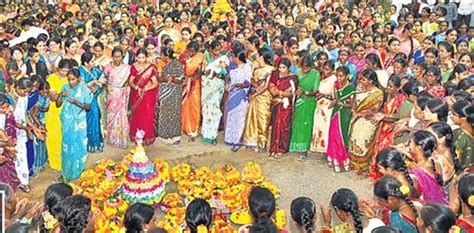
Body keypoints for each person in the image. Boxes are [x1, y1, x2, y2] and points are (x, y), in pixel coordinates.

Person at [57, 68, 92, 182]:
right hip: (67, 121)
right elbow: (58, 104)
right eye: (69, 79)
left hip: (79, 122)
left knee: (80, 144)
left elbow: (88, 107)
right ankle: (66, 172)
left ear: (79, 79)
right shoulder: (65, 88)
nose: (71, 82)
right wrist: (61, 95)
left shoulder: (84, 89)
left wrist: (76, 103)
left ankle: (79, 170)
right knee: (67, 145)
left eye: (73, 79)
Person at [349, 69, 383, 175]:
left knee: (363, 141)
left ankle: (363, 166)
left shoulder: (377, 93)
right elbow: (353, 103)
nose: (360, 81)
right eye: (360, 79)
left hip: (368, 121)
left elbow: (374, 110)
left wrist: (359, 115)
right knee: (354, 140)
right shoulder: (358, 89)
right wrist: (354, 112)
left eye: (363, 80)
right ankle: (353, 163)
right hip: (356, 118)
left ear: (371, 81)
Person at [289, 55, 320, 161]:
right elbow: (293, 85)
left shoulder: (315, 74)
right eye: (303, 67)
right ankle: (296, 146)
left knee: (306, 125)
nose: (305, 69)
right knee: (297, 123)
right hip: (298, 101)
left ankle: (304, 150)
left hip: (308, 102)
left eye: (307, 67)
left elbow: (315, 91)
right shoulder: (297, 72)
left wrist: (305, 92)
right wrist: (296, 91)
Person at [242, 48, 273, 152]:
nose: (257, 58)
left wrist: (256, 94)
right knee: (252, 118)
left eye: (258, 56)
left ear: (262, 57)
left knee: (262, 119)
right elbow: (251, 80)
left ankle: (261, 142)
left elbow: (266, 86)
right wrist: (255, 88)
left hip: (264, 97)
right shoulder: (256, 68)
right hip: (255, 95)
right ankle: (252, 141)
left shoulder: (270, 69)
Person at [326, 66, 356, 172]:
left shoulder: (351, 88)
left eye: (341, 76)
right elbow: (335, 98)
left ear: (347, 76)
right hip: (336, 113)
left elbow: (352, 105)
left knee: (342, 136)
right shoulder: (336, 85)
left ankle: (343, 159)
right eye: (337, 76)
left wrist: (340, 103)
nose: (339, 78)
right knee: (333, 135)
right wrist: (333, 101)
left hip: (344, 114)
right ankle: (334, 158)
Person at [7, 77, 34, 193]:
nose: (26, 94)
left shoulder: (24, 98)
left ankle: (24, 182)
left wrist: (32, 126)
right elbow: (10, 120)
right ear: (17, 87)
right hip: (9, 133)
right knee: (10, 158)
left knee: (22, 157)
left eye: (28, 91)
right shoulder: (7, 98)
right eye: (24, 91)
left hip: (21, 132)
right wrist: (26, 128)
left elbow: (24, 115)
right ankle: (11, 184)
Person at [268, 58, 298, 159]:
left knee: (284, 126)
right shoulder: (276, 75)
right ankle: (274, 147)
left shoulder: (293, 78)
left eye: (283, 68)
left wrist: (280, 93)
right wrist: (275, 92)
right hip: (276, 103)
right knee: (276, 125)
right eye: (280, 67)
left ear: (288, 68)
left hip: (286, 105)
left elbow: (292, 93)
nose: (281, 70)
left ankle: (282, 148)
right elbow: (271, 87)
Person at [224, 45, 252, 152]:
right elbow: (227, 77)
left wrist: (236, 85)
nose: (231, 59)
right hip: (232, 95)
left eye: (233, 57)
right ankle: (230, 138)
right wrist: (227, 84)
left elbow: (247, 83)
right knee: (232, 117)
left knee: (239, 119)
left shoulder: (246, 67)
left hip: (240, 96)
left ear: (236, 57)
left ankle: (237, 140)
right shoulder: (233, 68)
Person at [128, 48, 159, 146]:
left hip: (147, 96)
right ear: (136, 57)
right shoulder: (134, 67)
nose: (141, 60)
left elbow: (155, 83)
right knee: (136, 115)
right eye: (139, 58)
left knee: (147, 116)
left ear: (146, 58)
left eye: (143, 58)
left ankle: (147, 136)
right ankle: (137, 136)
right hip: (136, 94)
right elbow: (131, 81)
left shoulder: (150, 68)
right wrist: (136, 87)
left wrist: (147, 89)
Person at [45, 59, 71, 172]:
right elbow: (52, 97)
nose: (65, 73)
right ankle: (55, 162)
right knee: (53, 137)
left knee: (63, 136)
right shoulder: (51, 79)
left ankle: (63, 160)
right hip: (53, 111)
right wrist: (62, 93)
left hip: (65, 110)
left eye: (67, 71)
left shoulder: (69, 78)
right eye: (63, 70)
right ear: (58, 69)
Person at [156, 47, 184, 146]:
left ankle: (175, 138)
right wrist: (163, 78)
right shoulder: (165, 64)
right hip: (165, 94)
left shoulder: (177, 64)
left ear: (166, 56)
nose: (161, 56)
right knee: (165, 114)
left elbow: (180, 80)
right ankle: (165, 136)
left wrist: (172, 79)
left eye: (162, 54)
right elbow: (162, 79)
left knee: (174, 115)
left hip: (174, 94)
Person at [201, 40, 227, 145]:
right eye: (215, 50)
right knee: (207, 111)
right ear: (211, 49)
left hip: (216, 89)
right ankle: (205, 133)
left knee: (215, 111)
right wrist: (207, 72)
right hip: (207, 89)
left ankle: (212, 135)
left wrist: (216, 73)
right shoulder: (206, 58)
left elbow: (224, 74)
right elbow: (203, 72)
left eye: (219, 50)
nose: (217, 52)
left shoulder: (223, 59)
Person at [103, 47, 130, 149]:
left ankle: (121, 139)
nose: (117, 59)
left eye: (119, 57)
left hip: (122, 93)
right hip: (111, 94)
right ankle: (112, 139)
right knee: (111, 115)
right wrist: (107, 86)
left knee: (122, 114)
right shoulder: (107, 67)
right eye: (115, 57)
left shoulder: (126, 68)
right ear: (112, 56)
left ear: (122, 57)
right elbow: (103, 79)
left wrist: (126, 88)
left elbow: (129, 80)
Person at [79, 51, 104, 153]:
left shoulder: (95, 70)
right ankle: (89, 144)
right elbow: (80, 86)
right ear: (86, 63)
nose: (94, 63)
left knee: (96, 117)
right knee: (87, 121)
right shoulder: (80, 71)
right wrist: (92, 84)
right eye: (92, 61)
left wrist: (99, 84)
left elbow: (102, 79)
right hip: (84, 102)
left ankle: (96, 142)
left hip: (94, 99)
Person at [310, 60, 336, 154]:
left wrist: (323, 95)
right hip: (320, 106)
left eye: (327, 69)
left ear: (332, 70)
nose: (325, 71)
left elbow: (334, 97)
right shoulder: (322, 79)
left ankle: (326, 149)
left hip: (327, 107)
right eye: (324, 69)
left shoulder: (334, 80)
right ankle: (319, 147)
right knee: (319, 126)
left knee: (325, 128)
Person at [181, 41, 204, 141]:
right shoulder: (188, 56)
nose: (190, 53)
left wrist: (187, 62)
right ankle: (185, 127)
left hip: (195, 85)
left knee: (194, 107)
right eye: (189, 51)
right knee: (186, 105)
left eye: (192, 51)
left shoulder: (199, 56)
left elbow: (189, 70)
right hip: (187, 84)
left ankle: (193, 129)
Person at [0, 93, 20, 190]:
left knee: (8, 170)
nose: (6, 110)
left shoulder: (6, 115)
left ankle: (8, 193)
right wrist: (7, 145)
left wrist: (8, 147)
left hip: (4, 148)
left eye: (7, 107)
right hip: (3, 147)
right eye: (2, 108)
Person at [30, 78, 49, 174]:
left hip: (43, 121)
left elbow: (45, 109)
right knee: (39, 145)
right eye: (43, 91)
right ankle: (37, 165)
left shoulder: (46, 97)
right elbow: (33, 113)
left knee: (43, 145)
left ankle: (41, 163)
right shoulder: (36, 98)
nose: (45, 93)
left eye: (47, 92)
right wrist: (39, 125)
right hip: (37, 123)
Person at [451, 100, 473, 170]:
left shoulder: (461, 139)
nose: (451, 116)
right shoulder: (458, 132)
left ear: (463, 119)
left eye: (454, 114)